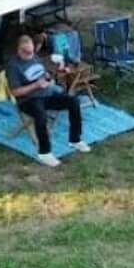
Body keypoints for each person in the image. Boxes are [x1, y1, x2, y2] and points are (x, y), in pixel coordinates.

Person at [6, 32, 90, 168]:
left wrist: (58, 73)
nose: (30, 55)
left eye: (31, 52)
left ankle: (75, 139)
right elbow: (15, 91)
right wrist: (36, 85)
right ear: (19, 50)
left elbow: (46, 76)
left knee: (73, 101)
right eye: (26, 53)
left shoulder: (35, 58)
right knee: (41, 115)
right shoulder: (13, 66)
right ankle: (44, 152)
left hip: (47, 94)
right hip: (28, 100)